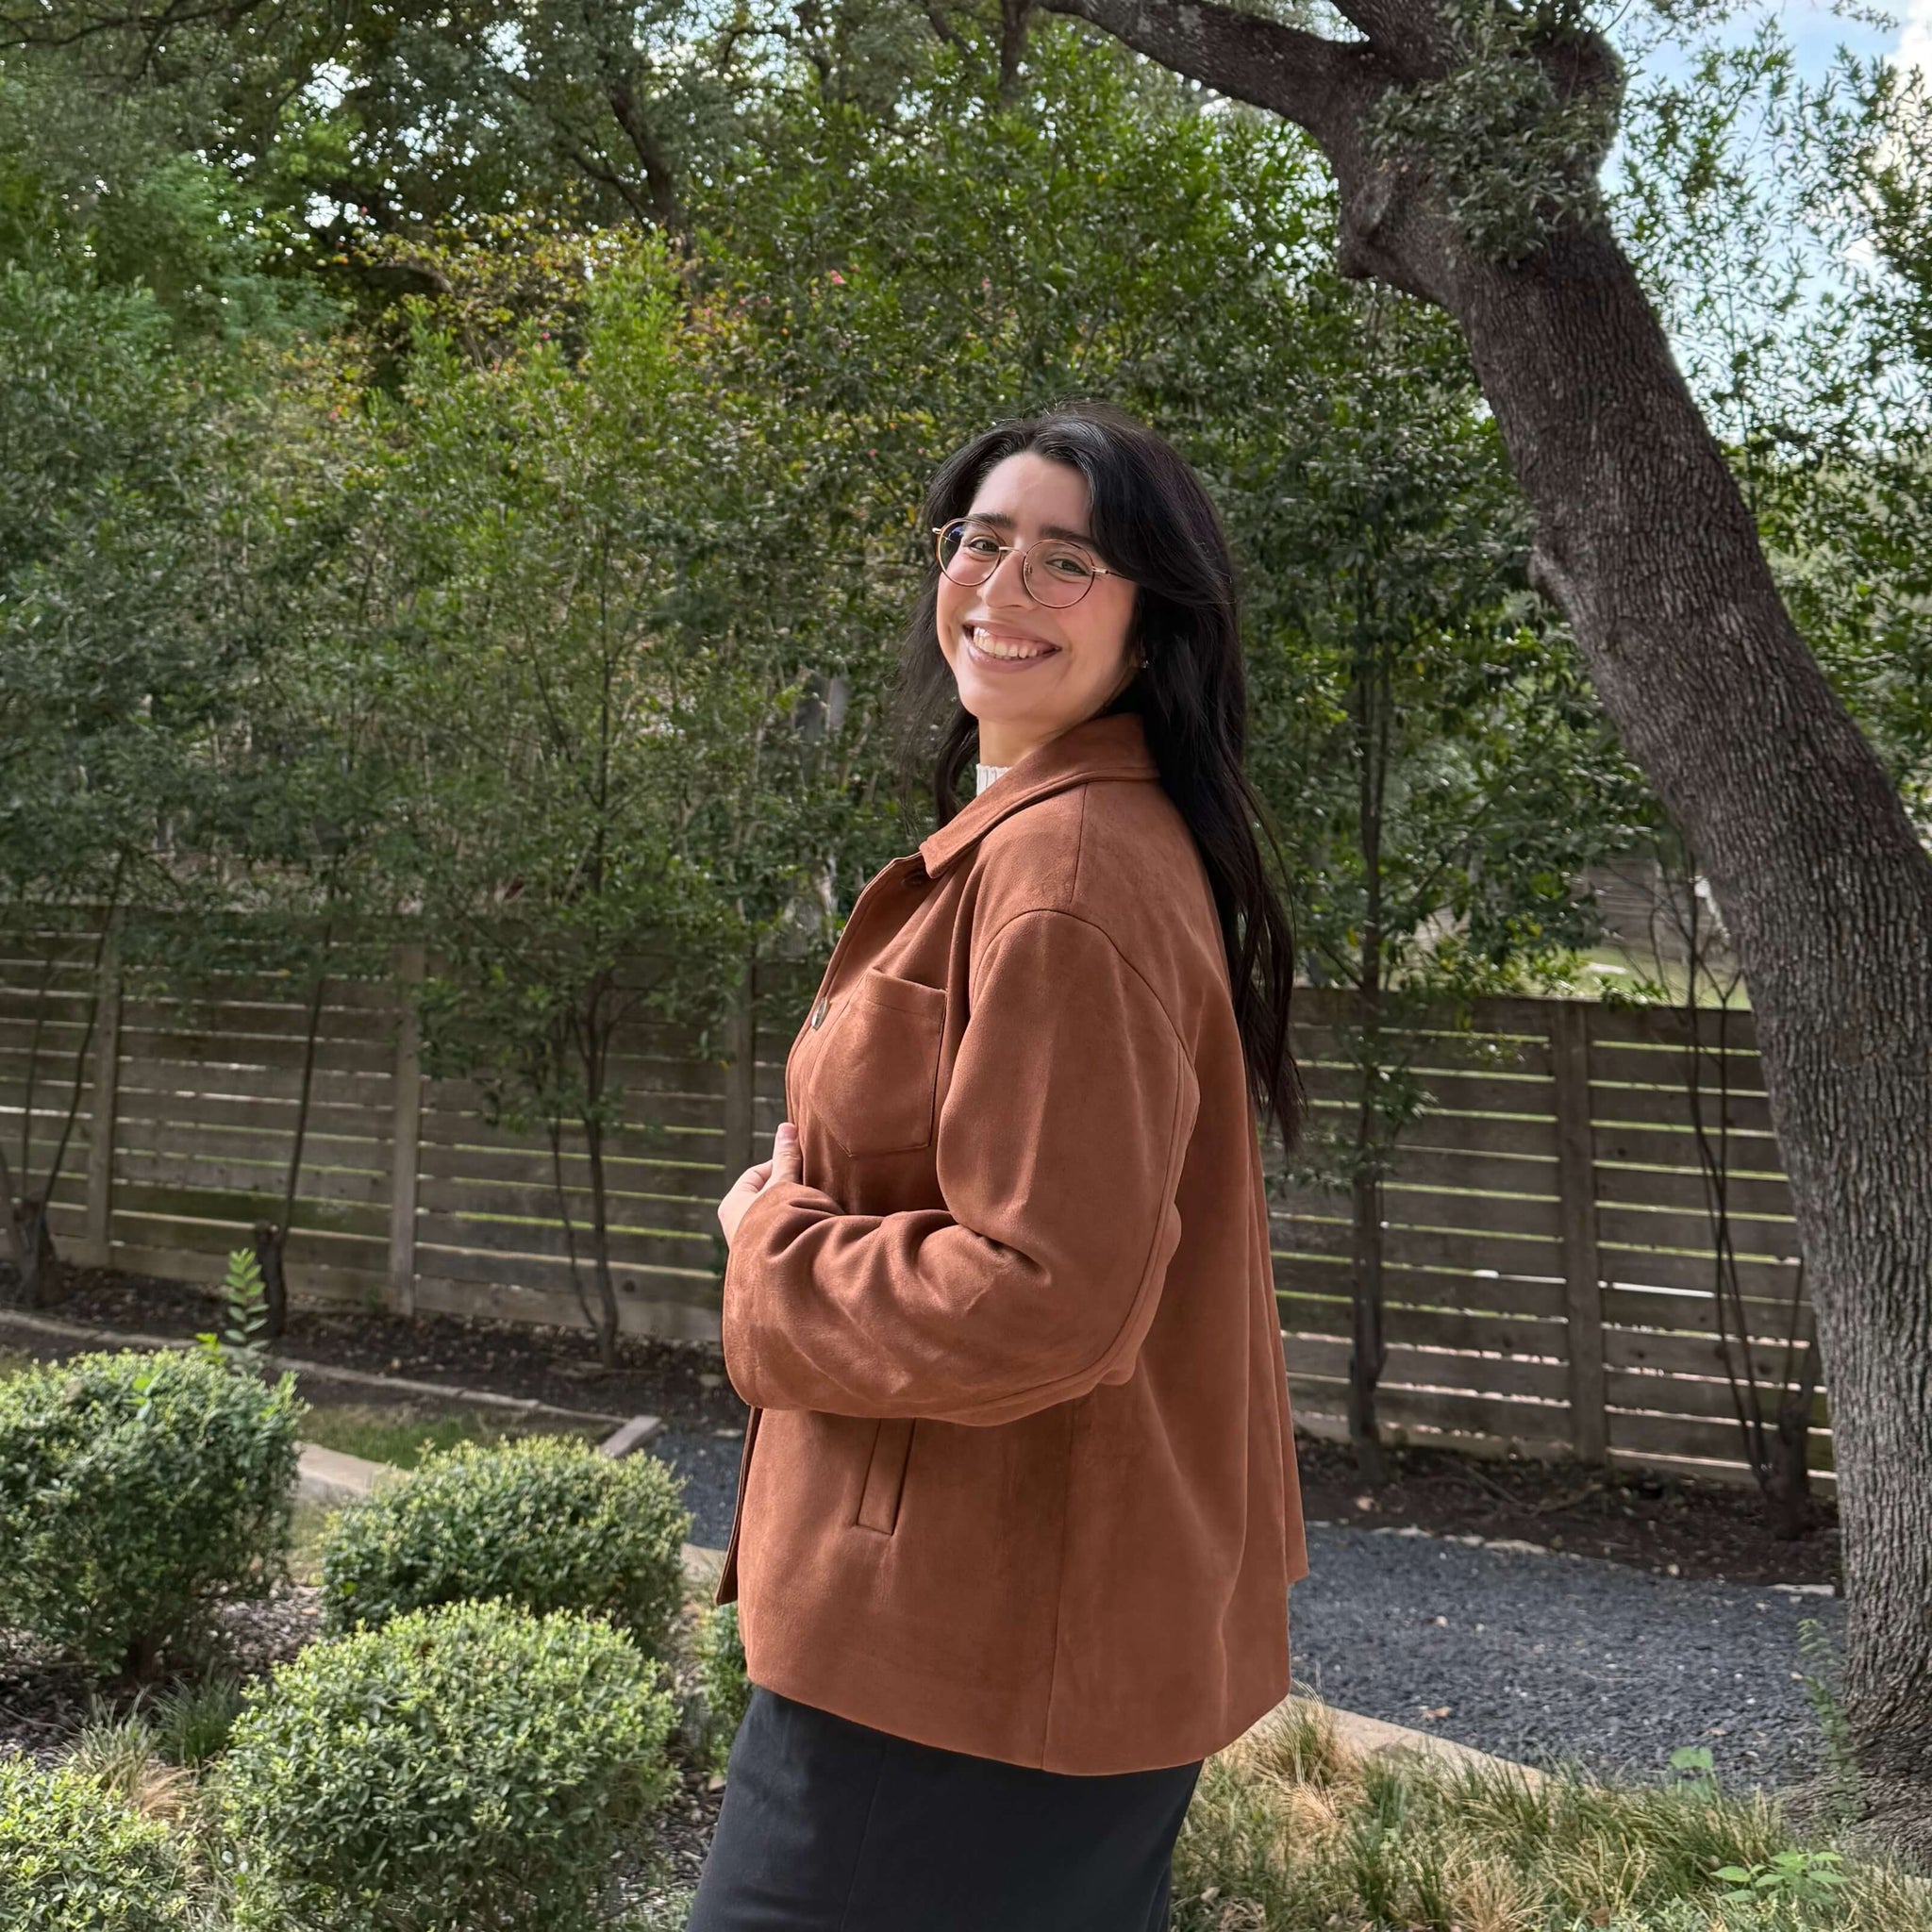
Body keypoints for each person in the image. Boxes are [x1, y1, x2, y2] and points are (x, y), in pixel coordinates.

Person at [691, 400, 1310, 1931]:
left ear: (1150, 625)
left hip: (962, 1657)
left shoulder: (1068, 876)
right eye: (981, 542)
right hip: (1000, 1636)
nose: (1004, 588)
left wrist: (772, 1247)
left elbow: (1046, 1292)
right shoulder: (1053, 840)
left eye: (1068, 561)